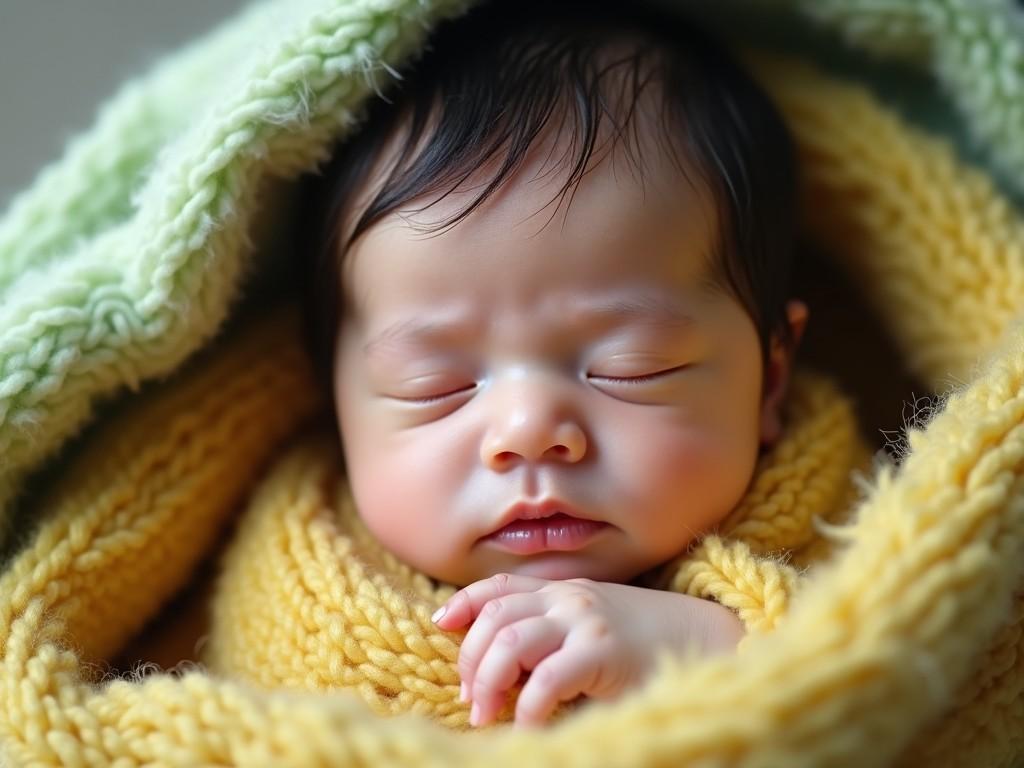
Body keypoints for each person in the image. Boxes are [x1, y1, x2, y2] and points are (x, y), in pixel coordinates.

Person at [296, 0, 808, 729]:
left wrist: (713, 647)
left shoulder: (862, 530)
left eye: (632, 368)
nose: (529, 431)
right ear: (334, 405)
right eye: (434, 385)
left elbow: (898, 677)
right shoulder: (301, 587)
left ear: (772, 377)